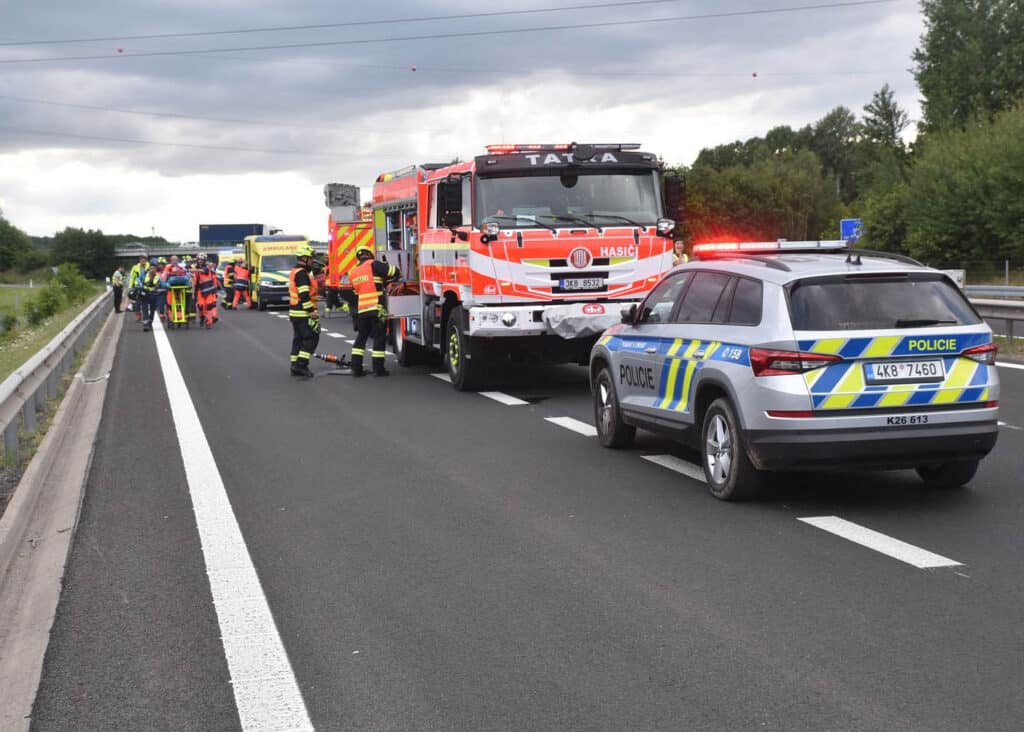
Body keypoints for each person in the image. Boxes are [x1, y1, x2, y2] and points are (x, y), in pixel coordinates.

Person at [349, 244, 400, 377]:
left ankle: (356, 368)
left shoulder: (353, 272)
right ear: (369, 255)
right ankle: (378, 369)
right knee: (379, 338)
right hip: (376, 308)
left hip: (362, 310)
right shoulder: (373, 264)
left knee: (361, 338)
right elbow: (393, 271)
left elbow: (356, 291)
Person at [288, 243, 321, 377]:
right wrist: (311, 311)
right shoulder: (302, 273)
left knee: (298, 339)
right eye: (311, 259)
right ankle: (301, 365)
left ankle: (294, 365)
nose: (312, 261)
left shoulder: (295, 271)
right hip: (303, 312)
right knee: (311, 338)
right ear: (304, 258)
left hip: (295, 312)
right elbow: (304, 295)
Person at [194, 259, 220, 328]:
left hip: (209, 291)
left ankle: (209, 321)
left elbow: (215, 281)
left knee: (209, 306)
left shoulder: (207, 269)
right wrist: (195, 293)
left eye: (202, 260)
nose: (200, 261)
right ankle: (202, 317)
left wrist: (215, 290)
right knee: (201, 306)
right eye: (199, 260)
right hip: (200, 291)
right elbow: (195, 282)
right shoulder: (197, 271)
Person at [140, 264, 161, 331]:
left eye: (153, 268)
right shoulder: (145, 275)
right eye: (151, 268)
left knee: (152, 309)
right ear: (149, 269)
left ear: (155, 270)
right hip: (145, 293)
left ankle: (150, 321)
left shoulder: (157, 276)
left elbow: (155, 284)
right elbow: (141, 281)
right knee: (144, 308)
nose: (152, 270)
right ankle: (145, 324)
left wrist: (151, 285)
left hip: (153, 294)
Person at [128, 255, 148, 321]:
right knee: (137, 302)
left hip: (147, 285)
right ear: (139, 261)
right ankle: (138, 314)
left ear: (146, 260)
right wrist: (130, 287)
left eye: (144, 260)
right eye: (141, 260)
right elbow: (132, 277)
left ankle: (147, 316)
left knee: (147, 301)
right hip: (138, 286)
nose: (143, 261)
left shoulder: (149, 266)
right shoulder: (135, 268)